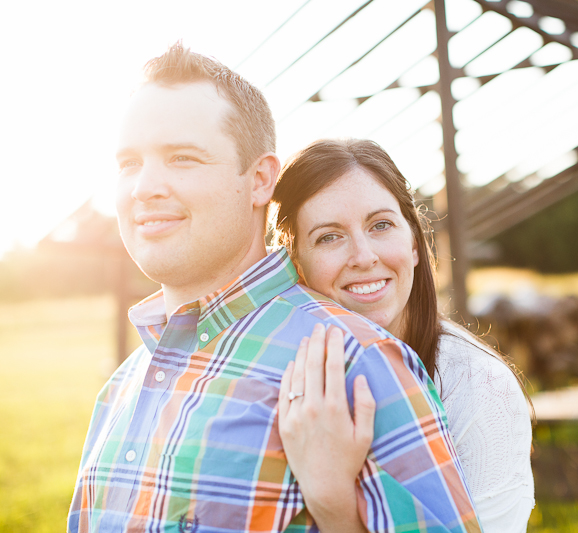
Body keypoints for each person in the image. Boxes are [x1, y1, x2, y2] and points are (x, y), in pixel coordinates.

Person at [67, 43, 481, 533]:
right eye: (128, 163)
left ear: (261, 179)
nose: (144, 187)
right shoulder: (121, 389)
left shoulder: (357, 363)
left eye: (182, 158)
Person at [270, 139, 535, 533]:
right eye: (329, 236)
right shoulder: (283, 372)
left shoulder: (477, 388)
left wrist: (333, 502)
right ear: (297, 265)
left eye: (380, 225)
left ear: (414, 242)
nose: (363, 256)